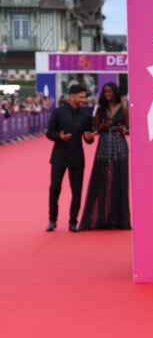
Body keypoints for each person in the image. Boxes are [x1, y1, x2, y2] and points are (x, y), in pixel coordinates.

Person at [79, 82, 131, 230]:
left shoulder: (124, 108)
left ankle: (118, 220)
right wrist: (101, 127)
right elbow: (95, 128)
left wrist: (121, 129)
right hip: (103, 147)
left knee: (118, 181)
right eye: (105, 92)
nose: (108, 94)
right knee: (102, 181)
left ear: (115, 92)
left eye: (110, 91)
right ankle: (101, 218)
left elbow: (129, 129)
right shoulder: (100, 109)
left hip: (119, 147)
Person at [45, 83, 94, 232]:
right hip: (59, 156)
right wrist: (59, 137)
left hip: (77, 157)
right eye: (80, 97)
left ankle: (73, 221)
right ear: (71, 96)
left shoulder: (86, 115)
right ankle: (52, 220)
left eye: (84, 97)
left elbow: (88, 138)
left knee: (77, 191)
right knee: (55, 188)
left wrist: (89, 138)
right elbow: (49, 132)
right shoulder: (58, 112)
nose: (83, 100)